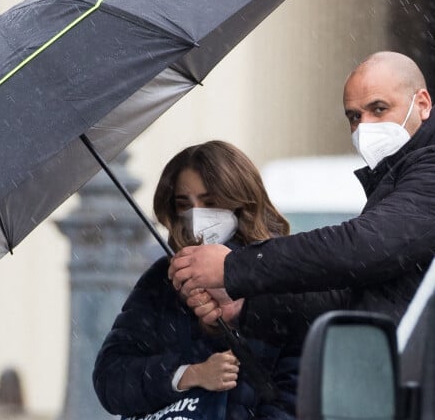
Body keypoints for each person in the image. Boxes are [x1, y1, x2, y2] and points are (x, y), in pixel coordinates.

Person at [93, 141, 308, 420]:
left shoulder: (276, 278)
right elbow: (111, 378)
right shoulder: (161, 284)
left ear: (240, 200)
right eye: (184, 204)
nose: (197, 214)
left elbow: (295, 404)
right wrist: (187, 374)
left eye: (209, 202)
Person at [169, 51, 435, 327]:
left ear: (422, 104)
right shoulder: (395, 178)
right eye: (354, 116)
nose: (364, 126)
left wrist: (234, 267)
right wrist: (246, 304)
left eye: (379, 108)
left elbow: (361, 247)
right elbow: (346, 300)